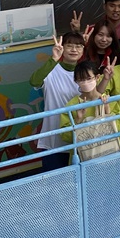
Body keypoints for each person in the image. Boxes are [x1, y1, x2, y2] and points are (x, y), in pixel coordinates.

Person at [28, 32, 86, 171]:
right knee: (56, 179)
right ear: (62, 48)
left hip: (81, 136)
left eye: (78, 46)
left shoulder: (86, 72)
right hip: (53, 139)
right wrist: (54, 58)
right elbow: (34, 81)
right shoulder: (52, 70)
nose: (74, 50)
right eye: (69, 46)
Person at [59, 60, 120, 160]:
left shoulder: (108, 101)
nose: (85, 82)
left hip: (108, 155)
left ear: (97, 77)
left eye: (89, 78)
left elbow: (119, 129)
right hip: (83, 158)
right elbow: (66, 137)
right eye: (81, 80)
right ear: (76, 81)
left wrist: (107, 111)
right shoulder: (72, 105)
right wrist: (78, 120)